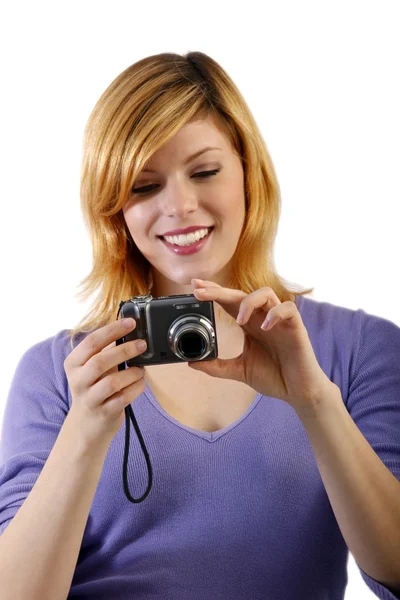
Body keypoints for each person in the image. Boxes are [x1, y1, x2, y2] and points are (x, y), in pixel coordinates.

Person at [0, 51, 399, 600]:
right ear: (115, 210)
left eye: (205, 171)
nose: (181, 206)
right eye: (144, 187)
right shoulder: (59, 373)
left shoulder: (359, 351)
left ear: (247, 174)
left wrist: (314, 401)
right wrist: (85, 431)